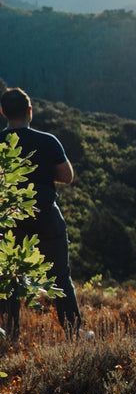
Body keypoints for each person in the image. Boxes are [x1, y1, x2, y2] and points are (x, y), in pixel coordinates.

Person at [1, 87, 83, 338]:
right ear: (29, 111)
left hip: (10, 217)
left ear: (3, 112)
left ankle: (9, 333)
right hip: (46, 215)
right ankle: (73, 332)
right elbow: (67, 176)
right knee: (60, 276)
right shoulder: (48, 141)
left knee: (9, 276)